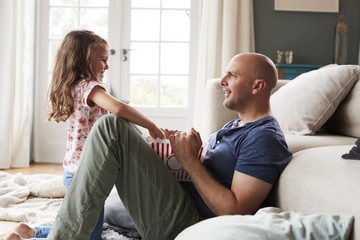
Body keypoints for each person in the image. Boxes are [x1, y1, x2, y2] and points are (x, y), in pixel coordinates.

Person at [0, 30, 164, 240]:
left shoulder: (75, 87)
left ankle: (30, 231)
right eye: (103, 60)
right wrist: (151, 126)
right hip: (85, 175)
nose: (107, 66)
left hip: (76, 171)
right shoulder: (91, 88)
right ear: (84, 61)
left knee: (81, 227)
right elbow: (119, 108)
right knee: (88, 236)